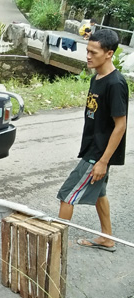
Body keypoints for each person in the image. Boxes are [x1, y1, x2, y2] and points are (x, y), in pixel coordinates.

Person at [57, 29, 128, 252]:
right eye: (87, 51)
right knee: (100, 194)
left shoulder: (115, 84)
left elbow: (121, 125)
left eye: (93, 52)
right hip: (92, 147)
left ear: (109, 54)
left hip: (97, 153)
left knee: (67, 195)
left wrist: (103, 161)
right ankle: (107, 238)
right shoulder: (97, 77)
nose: (88, 56)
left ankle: (54, 248)